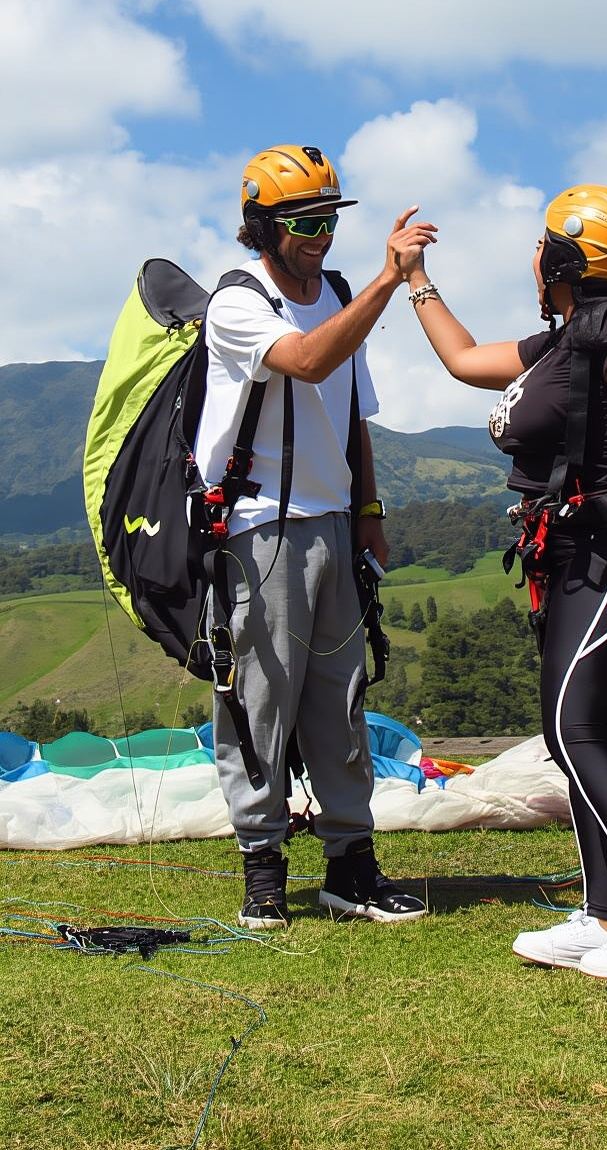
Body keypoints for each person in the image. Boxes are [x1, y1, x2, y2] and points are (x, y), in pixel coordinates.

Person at [401, 185, 607, 980]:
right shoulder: (569, 339)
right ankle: (605, 917)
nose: (532, 255)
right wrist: (415, 280)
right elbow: (468, 361)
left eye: (543, 244)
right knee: (569, 737)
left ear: (564, 259)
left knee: (580, 732)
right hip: (568, 555)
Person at [194, 144, 435, 928]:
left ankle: (350, 867)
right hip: (261, 530)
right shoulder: (237, 303)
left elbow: (353, 416)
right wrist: (389, 281)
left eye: (330, 218)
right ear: (261, 225)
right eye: (304, 221)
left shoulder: (333, 291)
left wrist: (370, 514)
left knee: (342, 702)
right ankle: (262, 866)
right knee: (260, 704)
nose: (321, 234)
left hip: (333, 525)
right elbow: (303, 359)